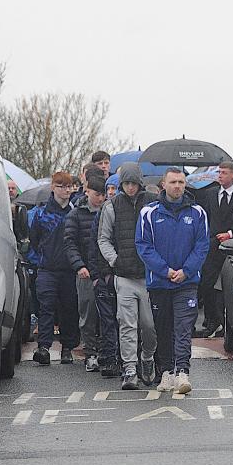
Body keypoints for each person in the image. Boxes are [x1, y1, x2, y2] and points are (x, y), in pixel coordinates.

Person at [137, 168, 209, 394]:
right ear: (163, 185)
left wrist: (186, 271)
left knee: (183, 328)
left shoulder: (198, 212)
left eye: (181, 182)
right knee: (163, 328)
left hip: (186, 282)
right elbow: (144, 246)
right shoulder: (149, 213)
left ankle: (182, 372)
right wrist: (165, 271)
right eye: (173, 182)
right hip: (160, 282)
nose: (177, 186)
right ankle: (167, 372)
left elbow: (202, 246)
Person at [98, 163, 157, 390]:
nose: (130, 187)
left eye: (133, 183)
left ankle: (147, 358)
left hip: (149, 276)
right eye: (126, 183)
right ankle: (130, 368)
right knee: (126, 324)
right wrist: (115, 260)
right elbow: (103, 238)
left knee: (149, 326)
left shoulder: (152, 202)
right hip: (123, 276)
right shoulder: (111, 206)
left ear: (139, 183)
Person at [30, 172, 79, 366]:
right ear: (53, 187)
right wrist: (43, 258)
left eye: (69, 186)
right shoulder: (41, 213)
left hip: (69, 270)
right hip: (47, 269)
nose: (66, 190)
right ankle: (44, 347)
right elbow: (34, 239)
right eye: (62, 186)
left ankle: (67, 348)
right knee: (46, 307)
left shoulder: (75, 211)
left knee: (69, 308)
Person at [63, 174, 106, 372]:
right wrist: (79, 265)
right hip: (86, 271)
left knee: (108, 314)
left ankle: (106, 350)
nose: (101, 198)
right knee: (88, 314)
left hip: (105, 270)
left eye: (103, 194)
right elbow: (70, 242)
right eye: (97, 194)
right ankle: (90, 353)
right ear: (87, 192)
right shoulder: (76, 214)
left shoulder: (109, 211)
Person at [198, 161, 233, 338]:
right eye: (219, 172)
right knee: (207, 284)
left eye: (224, 173)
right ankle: (212, 321)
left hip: (232, 247)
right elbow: (205, 217)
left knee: (228, 286)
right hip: (212, 246)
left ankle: (228, 324)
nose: (220, 176)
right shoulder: (210, 193)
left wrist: (231, 234)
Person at [88, 177, 121, 377]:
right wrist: (97, 276)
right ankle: (110, 358)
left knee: (126, 320)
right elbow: (94, 246)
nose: (110, 192)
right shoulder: (102, 214)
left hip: (126, 274)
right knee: (107, 320)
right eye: (109, 188)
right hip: (104, 276)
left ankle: (127, 359)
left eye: (114, 188)